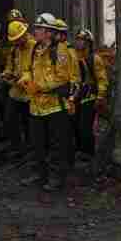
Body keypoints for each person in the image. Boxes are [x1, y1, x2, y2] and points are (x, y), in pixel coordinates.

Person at [20, 13, 75, 191]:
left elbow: (62, 78)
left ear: (49, 32)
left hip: (55, 107)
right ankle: (39, 174)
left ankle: (56, 177)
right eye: (35, 28)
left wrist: (40, 87)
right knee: (37, 144)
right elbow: (27, 69)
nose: (35, 31)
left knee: (56, 145)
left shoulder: (60, 50)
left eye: (39, 29)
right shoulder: (35, 49)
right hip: (36, 107)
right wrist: (26, 80)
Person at [0, 14, 37, 161]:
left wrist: (26, 77)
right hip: (15, 91)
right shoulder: (14, 50)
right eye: (13, 40)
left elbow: (39, 70)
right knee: (10, 120)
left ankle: (31, 151)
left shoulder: (35, 47)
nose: (16, 42)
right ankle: (17, 148)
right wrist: (6, 74)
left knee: (29, 124)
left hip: (30, 93)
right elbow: (10, 67)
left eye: (17, 39)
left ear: (24, 35)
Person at [73, 28, 109, 165]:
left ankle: (88, 153)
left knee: (85, 126)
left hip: (90, 96)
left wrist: (100, 97)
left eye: (81, 40)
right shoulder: (74, 57)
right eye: (77, 39)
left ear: (88, 43)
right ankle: (79, 150)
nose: (78, 42)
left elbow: (102, 79)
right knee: (75, 123)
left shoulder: (95, 59)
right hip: (77, 96)